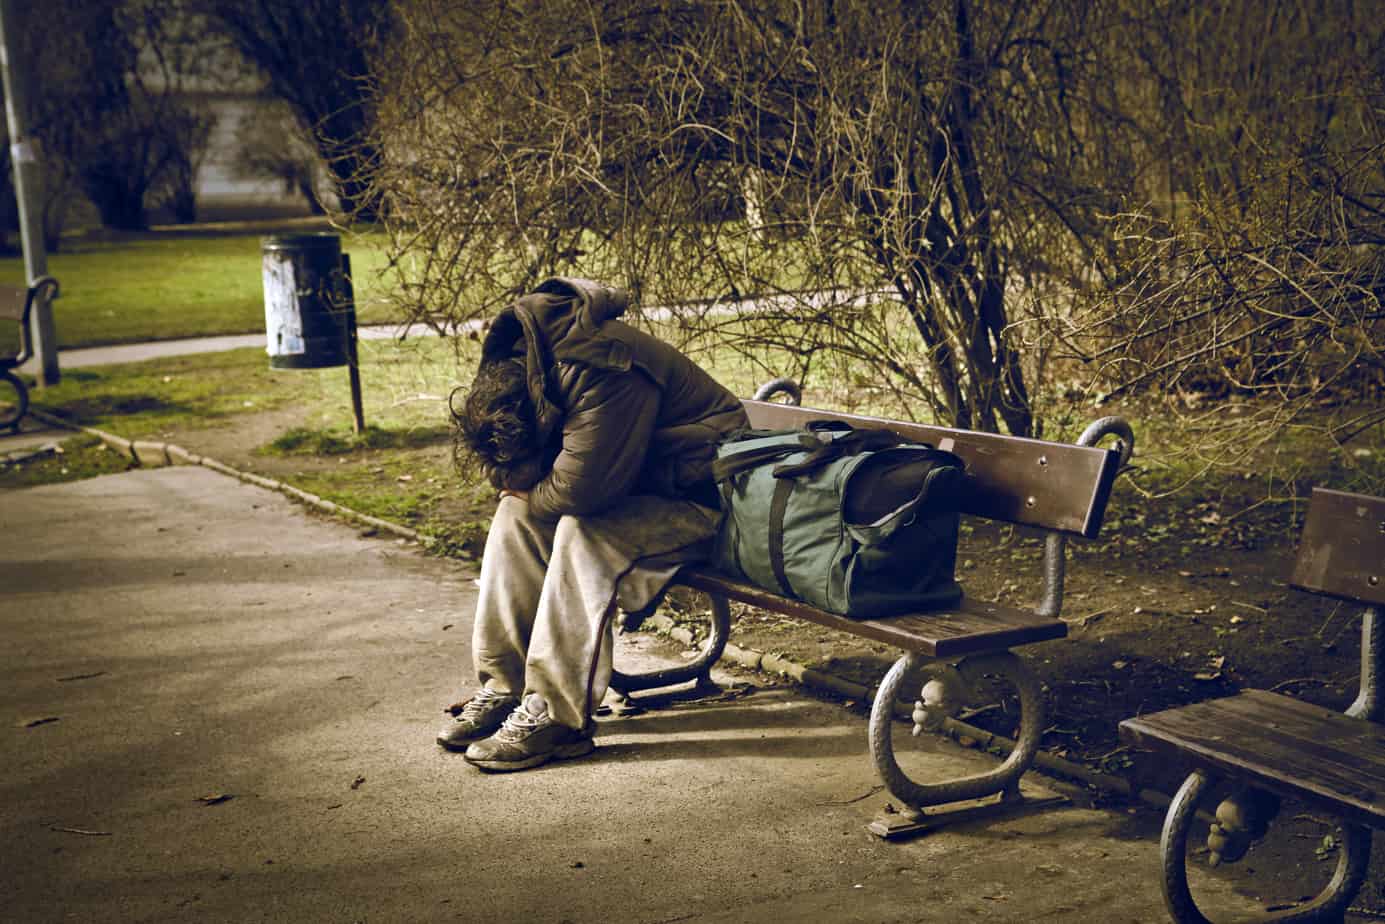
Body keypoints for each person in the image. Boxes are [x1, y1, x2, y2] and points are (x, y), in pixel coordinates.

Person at [439, 277, 748, 772]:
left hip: (708, 502)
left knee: (582, 532)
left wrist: (529, 483)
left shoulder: (604, 368)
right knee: (515, 514)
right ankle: (506, 685)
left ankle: (556, 716)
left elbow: (582, 491)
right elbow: (514, 473)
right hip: (643, 491)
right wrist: (516, 480)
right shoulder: (520, 360)